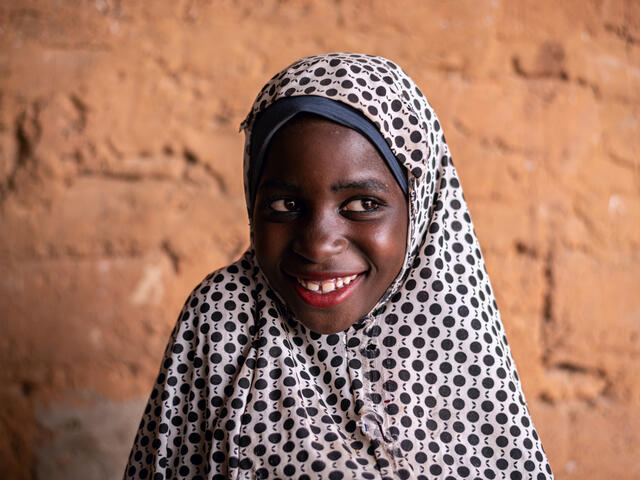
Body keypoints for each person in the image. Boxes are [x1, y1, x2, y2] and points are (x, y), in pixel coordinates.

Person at [124, 53, 554, 480]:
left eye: (363, 205)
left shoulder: (456, 336)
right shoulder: (224, 318)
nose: (318, 244)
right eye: (284, 204)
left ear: (420, 206)